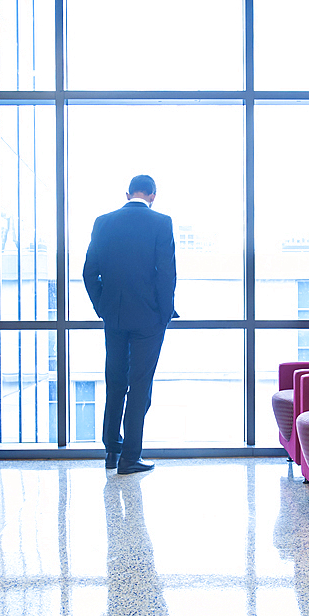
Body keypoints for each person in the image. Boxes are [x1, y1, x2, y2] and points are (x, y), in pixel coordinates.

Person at [82, 175, 177, 474]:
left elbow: (89, 272)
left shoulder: (103, 222)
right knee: (139, 387)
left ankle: (112, 449)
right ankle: (130, 458)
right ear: (153, 195)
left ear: (127, 194)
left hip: (115, 317)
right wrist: (164, 314)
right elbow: (166, 274)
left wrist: (103, 307)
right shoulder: (162, 223)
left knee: (115, 380)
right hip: (149, 319)